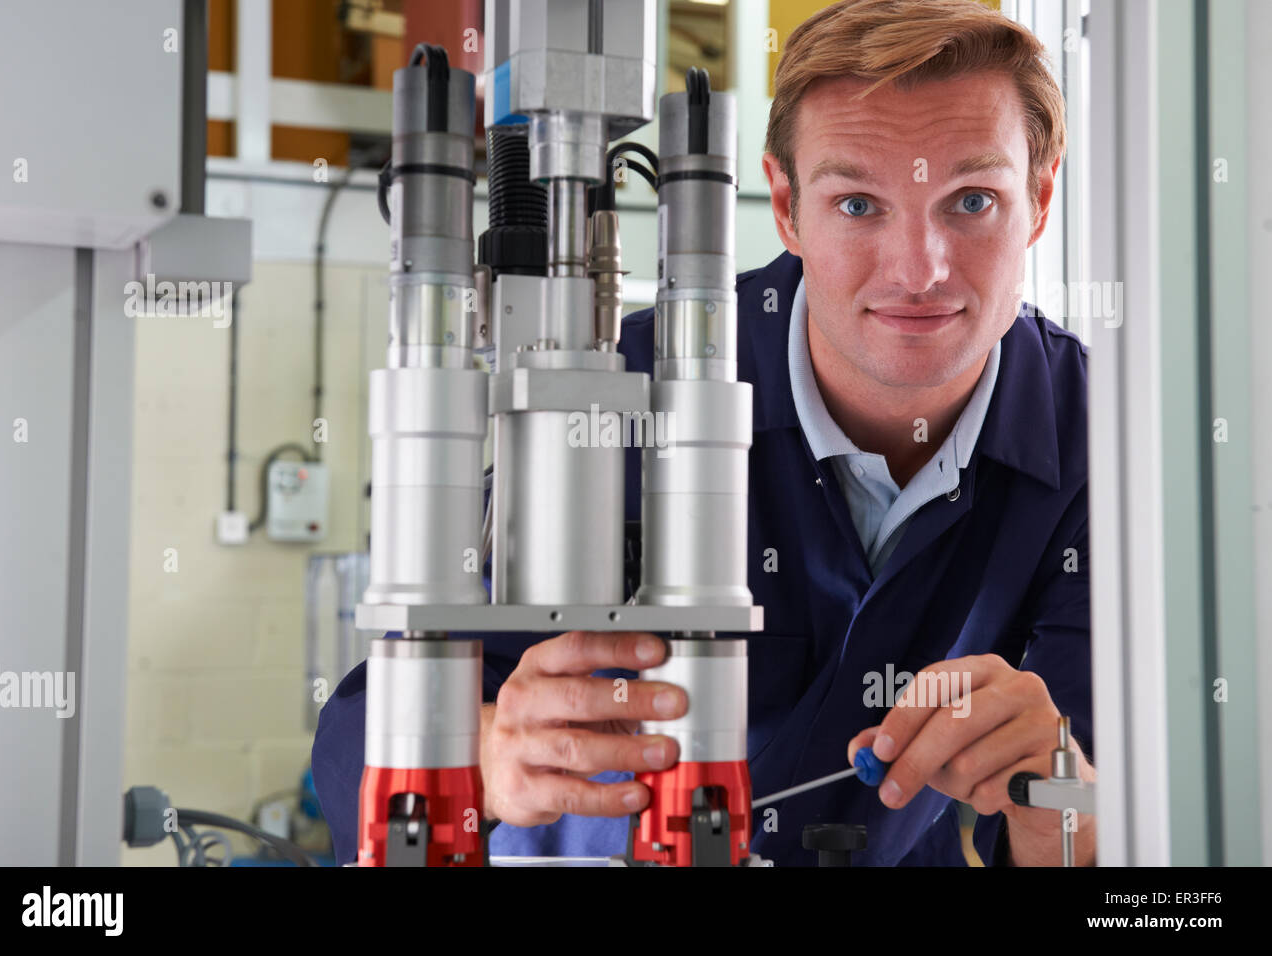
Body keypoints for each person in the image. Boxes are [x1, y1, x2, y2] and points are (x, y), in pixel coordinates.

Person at [312, 0, 1094, 867]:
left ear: (1039, 199)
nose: (918, 270)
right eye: (860, 203)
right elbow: (359, 727)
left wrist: (1060, 794)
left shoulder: (1102, 442)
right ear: (789, 207)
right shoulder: (629, 389)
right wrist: (484, 752)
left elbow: (1088, 838)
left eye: (972, 200)